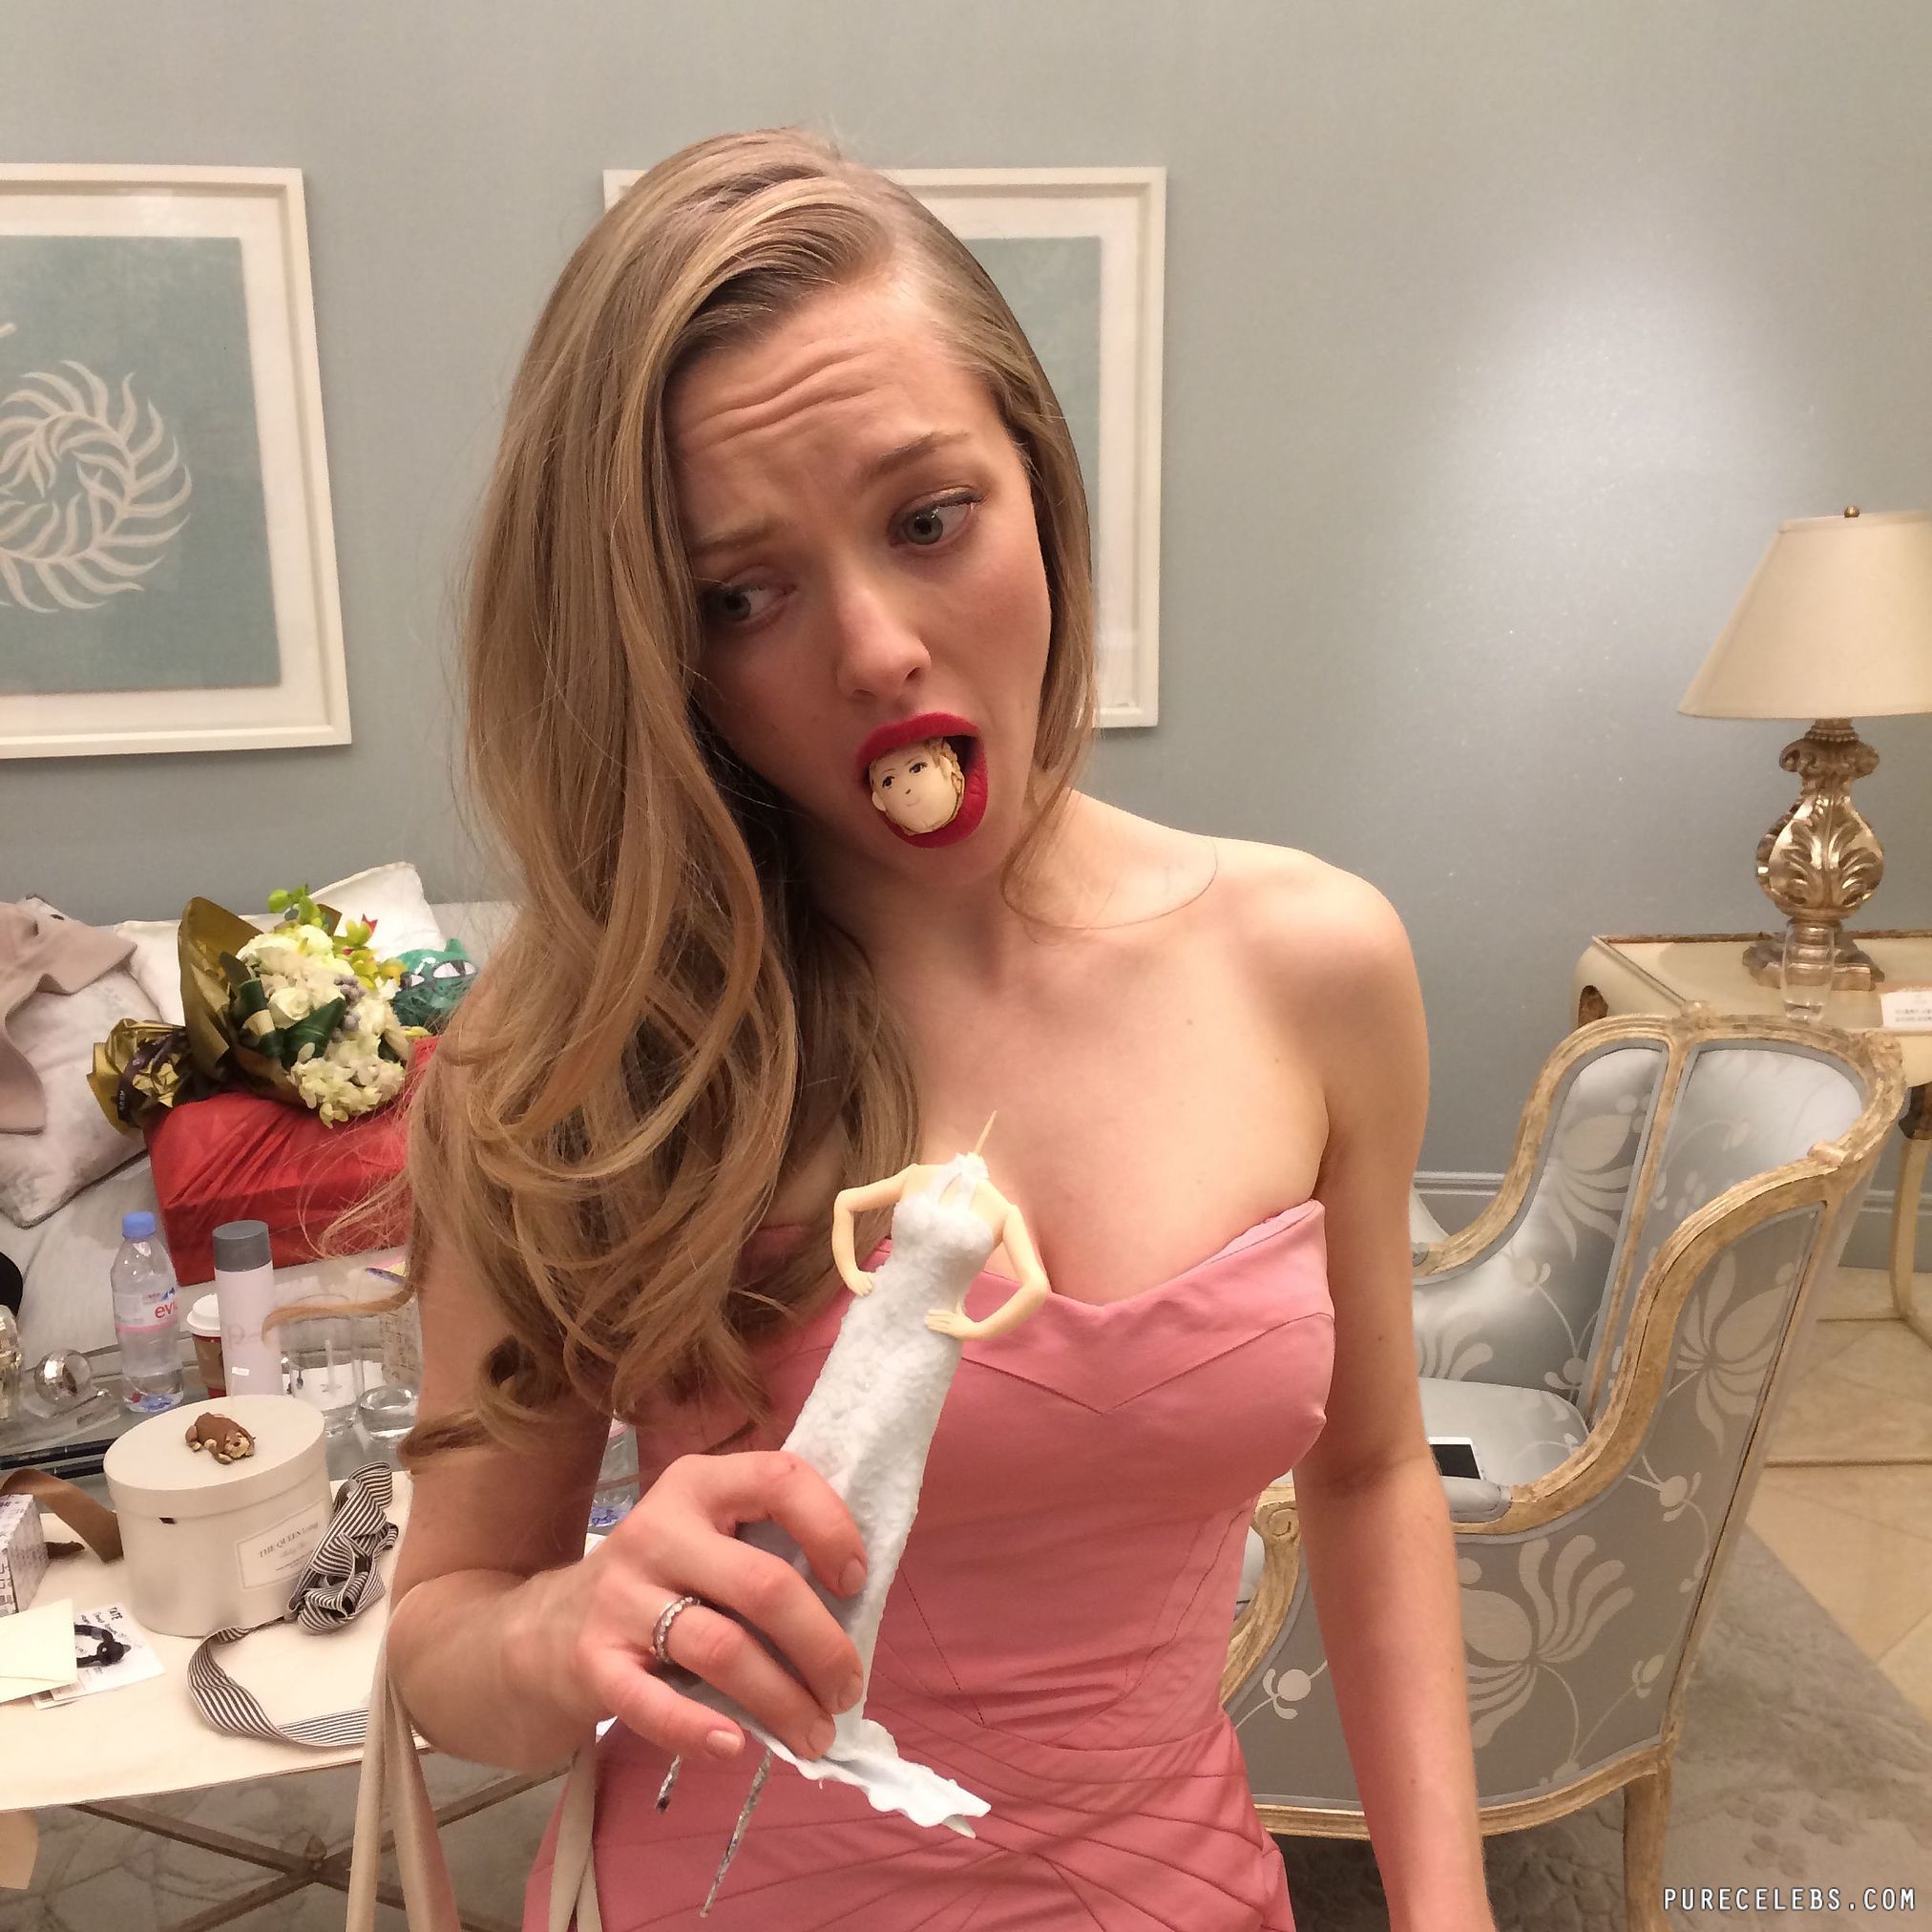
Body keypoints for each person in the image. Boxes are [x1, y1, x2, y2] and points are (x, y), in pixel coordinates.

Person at [370, 125, 1497, 1930]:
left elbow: (1368, 1474)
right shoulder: (575, 1067)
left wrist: (1449, 1911)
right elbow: (440, 1638)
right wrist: (570, 1622)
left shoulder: (1314, 965)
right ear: (664, 657)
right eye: (743, 595)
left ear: (1038, 485)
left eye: (926, 520)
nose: (879, 649)